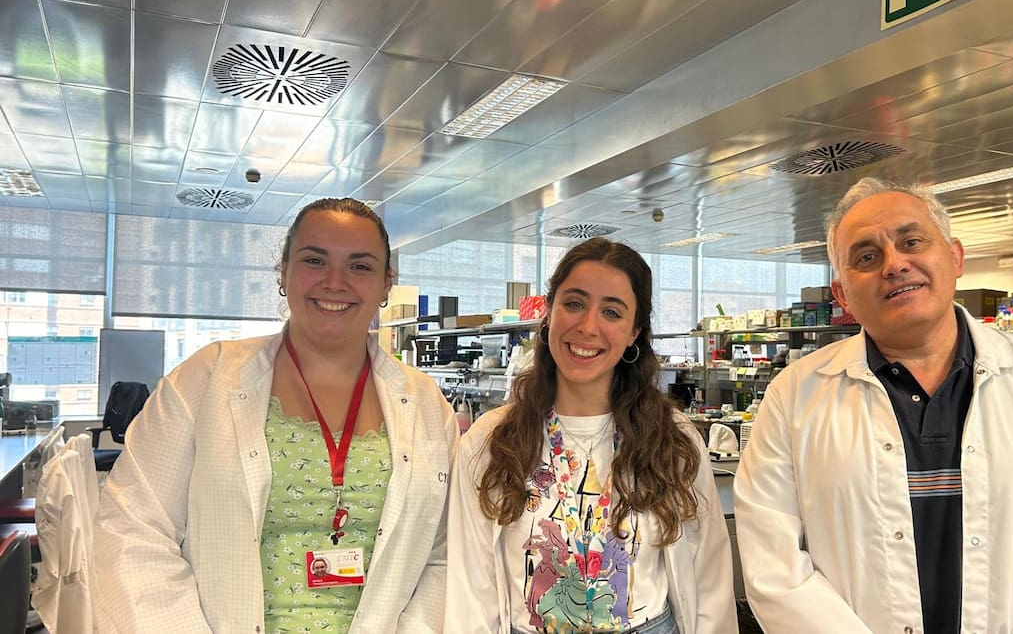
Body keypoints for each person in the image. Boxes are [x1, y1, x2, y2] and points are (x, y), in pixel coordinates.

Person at [734, 178, 1013, 633]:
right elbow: (775, 570)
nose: (895, 265)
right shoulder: (794, 396)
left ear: (955, 257)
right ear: (842, 295)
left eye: (912, 242)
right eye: (866, 257)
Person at [93, 198, 458, 633]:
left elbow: (446, 554)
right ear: (283, 272)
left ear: (386, 284)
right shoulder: (206, 379)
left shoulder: (427, 403)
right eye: (315, 260)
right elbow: (133, 527)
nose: (335, 282)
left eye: (360, 266)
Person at [447, 237, 736, 634]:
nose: (587, 327)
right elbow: (469, 589)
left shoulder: (672, 438)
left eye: (612, 312)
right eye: (574, 303)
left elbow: (710, 577)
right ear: (549, 312)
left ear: (634, 332)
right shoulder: (491, 440)